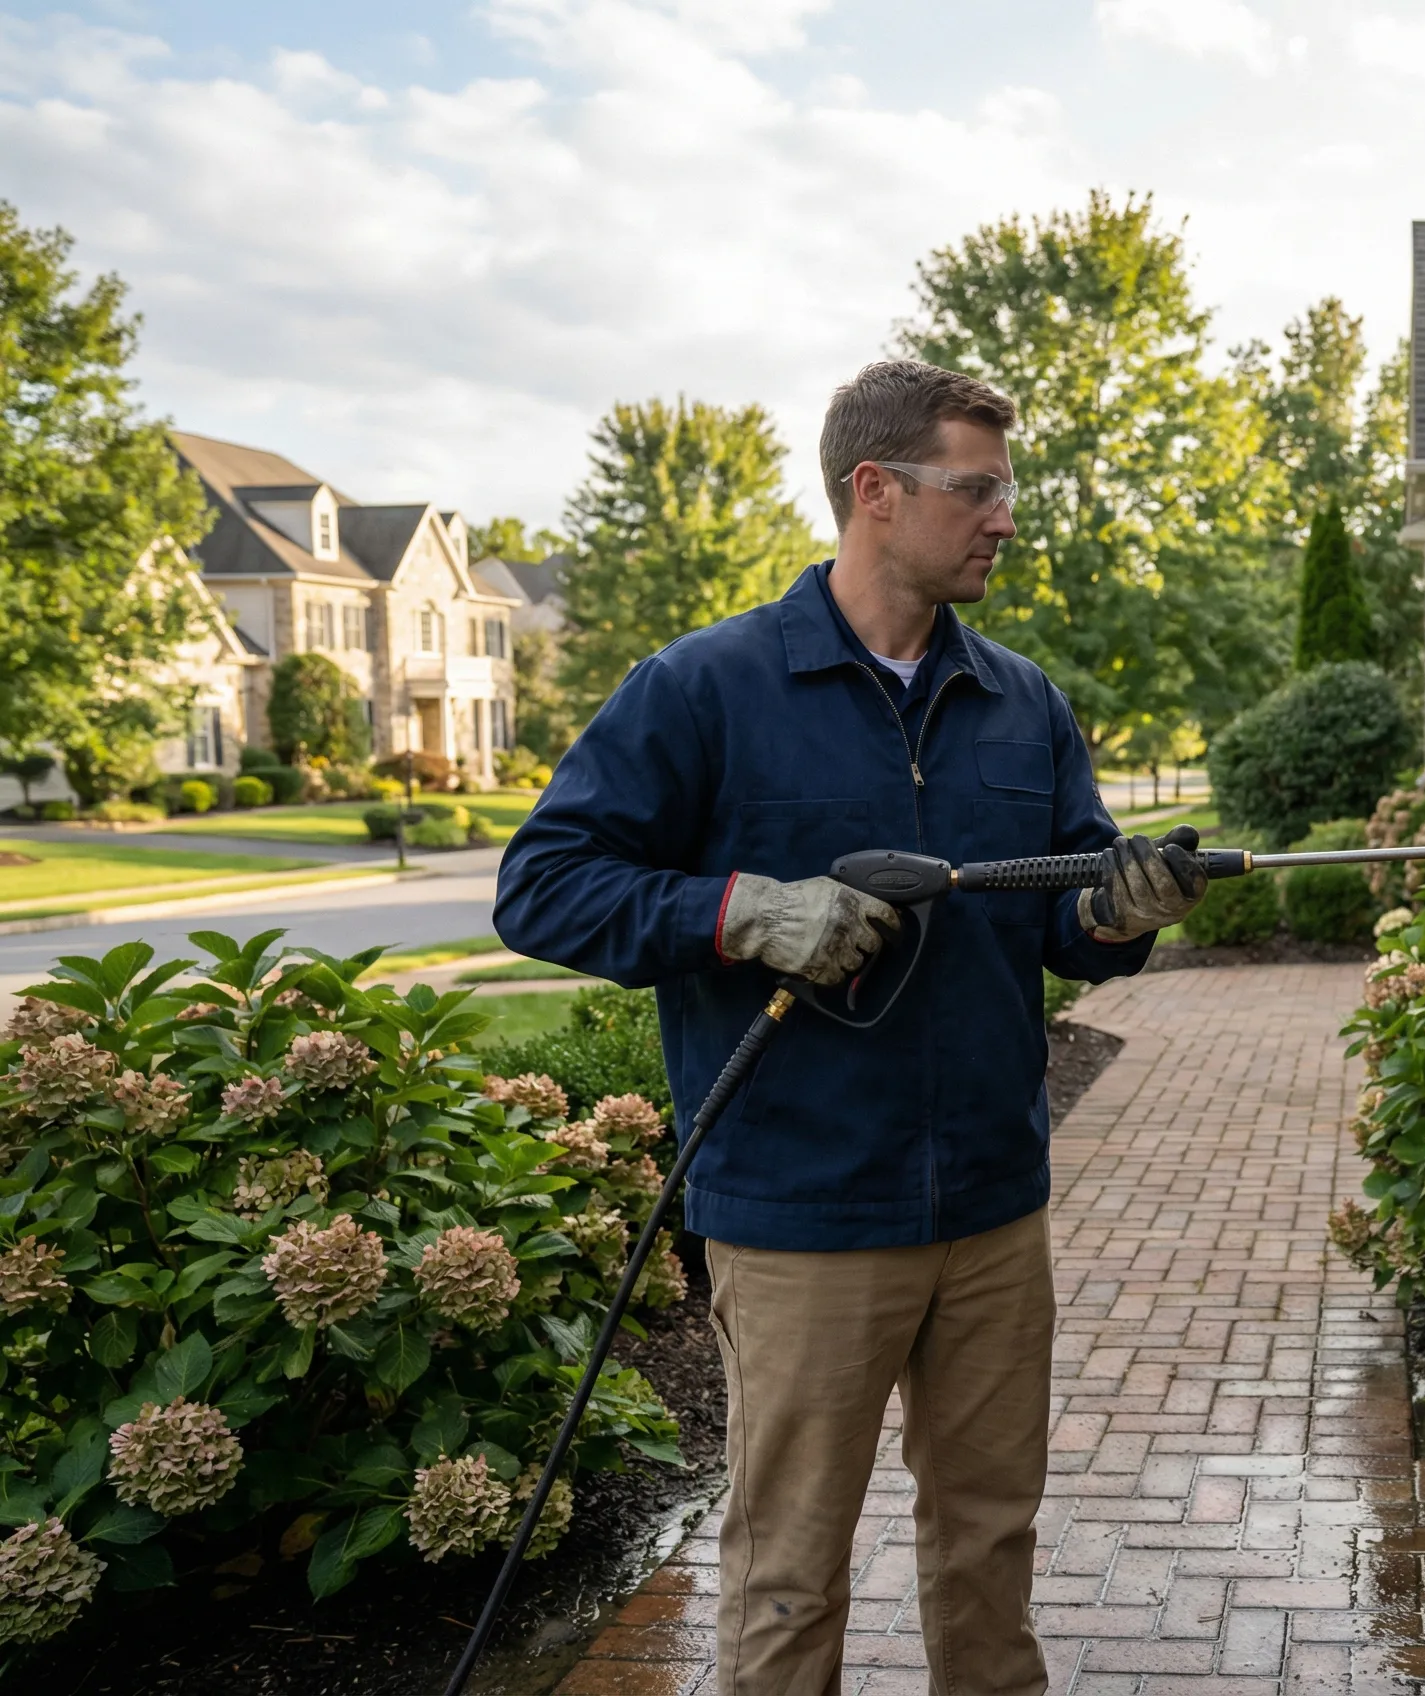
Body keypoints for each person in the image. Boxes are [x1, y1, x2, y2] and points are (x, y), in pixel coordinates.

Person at [493, 359, 1207, 1695]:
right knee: (787, 1570)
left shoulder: (1022, 703)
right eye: (977, 488)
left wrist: (1121, 911)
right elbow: (541, 887)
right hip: (800, 1216)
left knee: (990, 1543)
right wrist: (741, 912)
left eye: (1006, 489)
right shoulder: (706, 689)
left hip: (994, 1211)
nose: (1004, 517)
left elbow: (1065, 921)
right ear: (876, 492)